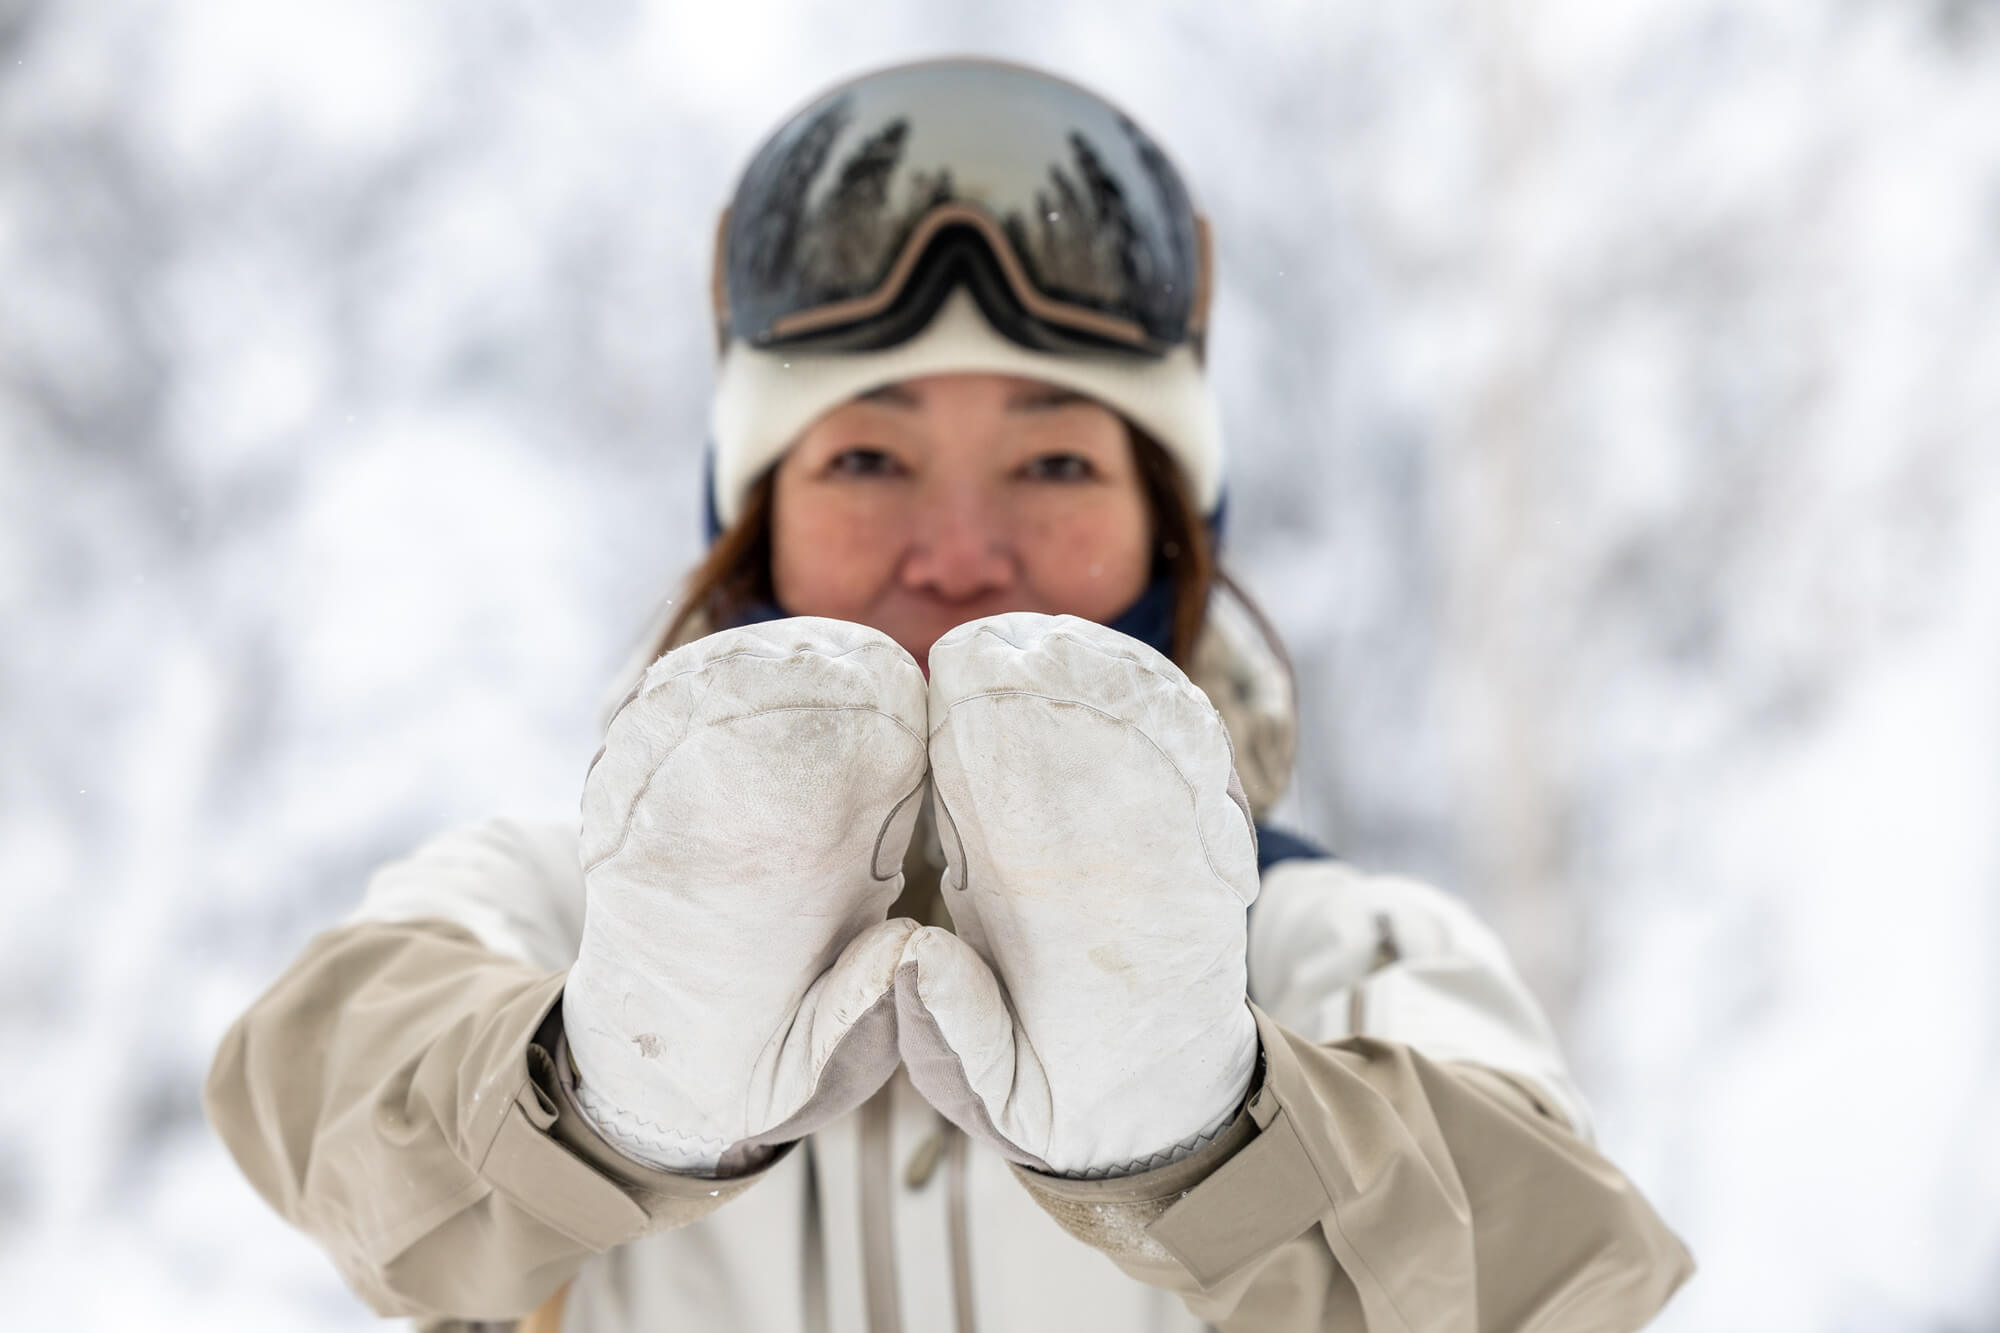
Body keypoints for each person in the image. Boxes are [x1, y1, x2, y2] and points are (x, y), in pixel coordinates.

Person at [205, 57, 1693, 1333]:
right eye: (868, 458)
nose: (964, 550)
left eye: (1055, 462)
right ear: (756, 524)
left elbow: (1558, 1271)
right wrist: (597, 1090)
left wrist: (1213, 1132)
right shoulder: (563, 908)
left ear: (1169, 533)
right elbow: (319, 1093)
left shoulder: (1325, 943)